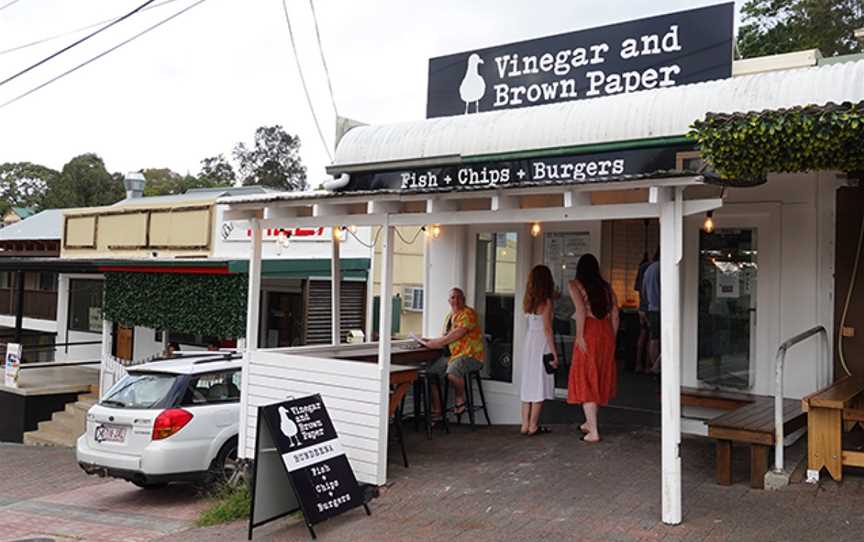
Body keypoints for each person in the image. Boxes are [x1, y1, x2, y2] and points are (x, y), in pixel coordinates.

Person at [567, 253, 619, 443]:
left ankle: (594, 431)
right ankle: (589, 423)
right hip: (605, 331)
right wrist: (612, 337)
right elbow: (615, 313)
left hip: (589, 330)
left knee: (586, 377)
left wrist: (580, 335)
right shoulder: (606, 287)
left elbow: (581, 310)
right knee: (598, 375)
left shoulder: (574, 285)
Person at [419, 288, 485, 418]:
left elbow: (455, 335)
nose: (456, 300)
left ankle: (460, 399)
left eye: (459, 297)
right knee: (431, 374)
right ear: (449, 301)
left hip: (471, 356)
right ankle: (438, 411)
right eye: (453, 297)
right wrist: (430, 341)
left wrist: (436, 343)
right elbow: (446, 336)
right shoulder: (449, 316)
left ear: (464, 299)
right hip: (453, 356)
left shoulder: (468, 314)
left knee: (453, 372)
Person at [519, 265, 558, 436]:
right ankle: (533, 425)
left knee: (528, 382)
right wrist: (554, 352)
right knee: (539, 383)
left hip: (529, 342)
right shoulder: (547, 302)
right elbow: (547, 329)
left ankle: (525, 424)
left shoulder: (528, 301)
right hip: (541, 343)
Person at [642, 250, 661, 374]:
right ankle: (657, 366)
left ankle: (655, 366)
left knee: (653, 338)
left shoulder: (649, 269)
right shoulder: (663, 268)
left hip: (651, 308)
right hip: (662, 308)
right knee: (665, 339)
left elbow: (643, 290)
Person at [633, 253, 652, 373]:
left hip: (641, 307)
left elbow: (636, 287)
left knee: (642, 336)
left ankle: (638, 364)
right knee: (651, 337)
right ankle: (647, 365)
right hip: (651, 307)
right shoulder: (654, 267)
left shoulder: (642, 268)